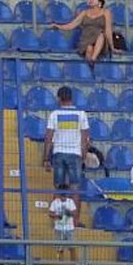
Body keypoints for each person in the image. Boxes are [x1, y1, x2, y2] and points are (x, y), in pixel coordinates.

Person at [44, 86, 90, 227]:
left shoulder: (54, 114)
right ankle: (74, 221)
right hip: (75, 153)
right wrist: (83, 154)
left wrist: (46, 158)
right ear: (72, 98)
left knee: (59, 188)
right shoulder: (81, 114)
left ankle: (56, 220)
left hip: (59, 153)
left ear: (59, 98)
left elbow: (48, 137)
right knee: (75, 188)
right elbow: (86, 138)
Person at [51, 0, 115, 67]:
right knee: (89, 48)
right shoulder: (84, 13)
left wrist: (112, 47)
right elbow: (72, 25)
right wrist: (59, 26)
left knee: (101, 34)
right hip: (86, 39)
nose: (91, 0)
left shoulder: (106, 12)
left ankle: (93, 59)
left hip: (100, 40)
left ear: (100, 2)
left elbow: (108, 30)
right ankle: (90, 68)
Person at [49, 189, 78, 262]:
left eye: (65, 196)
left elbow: (75, 213)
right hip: (58, 228)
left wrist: (69, 213)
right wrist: (57, 216)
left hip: (69, 228)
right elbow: (50, 213)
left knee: (72, 247)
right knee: (59, 248)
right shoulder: (55, 202)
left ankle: (74, 263)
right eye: (62, 196)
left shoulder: (70, 202)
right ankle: (60, 263)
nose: (63, 198)